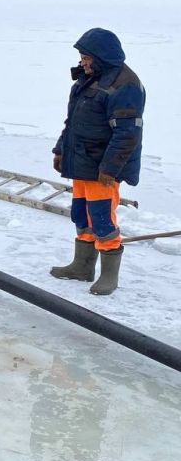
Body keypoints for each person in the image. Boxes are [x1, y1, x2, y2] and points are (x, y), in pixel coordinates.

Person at [50, 28, 144, 296]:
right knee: (81, 214)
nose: (82, 62)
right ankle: (81, 267)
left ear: (100, 56)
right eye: (81, 56)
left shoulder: (124, 85)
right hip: (82, 162)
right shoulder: (89, 80)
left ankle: (109, 275)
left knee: (102, 218)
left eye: (85, 56)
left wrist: (110, 169)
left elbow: (128, 133)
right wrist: (60, 149)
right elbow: (74, 122)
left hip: (102, 169)